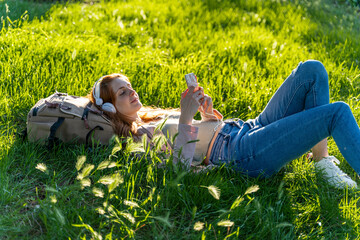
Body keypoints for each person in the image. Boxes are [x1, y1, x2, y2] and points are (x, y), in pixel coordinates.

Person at [89, 60, 360, 189]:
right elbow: (179, 171)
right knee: (336, 113)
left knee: (311, 71)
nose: (132, 92)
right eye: (122, 93)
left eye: (130, 87)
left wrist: (206, 114)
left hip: (246, 127)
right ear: (111, 108)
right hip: (242, 152)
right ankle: (324, 162)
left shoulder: (151, 117)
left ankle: (321, 160)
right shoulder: (137, 138)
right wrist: (185, 117)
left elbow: (205, 133)